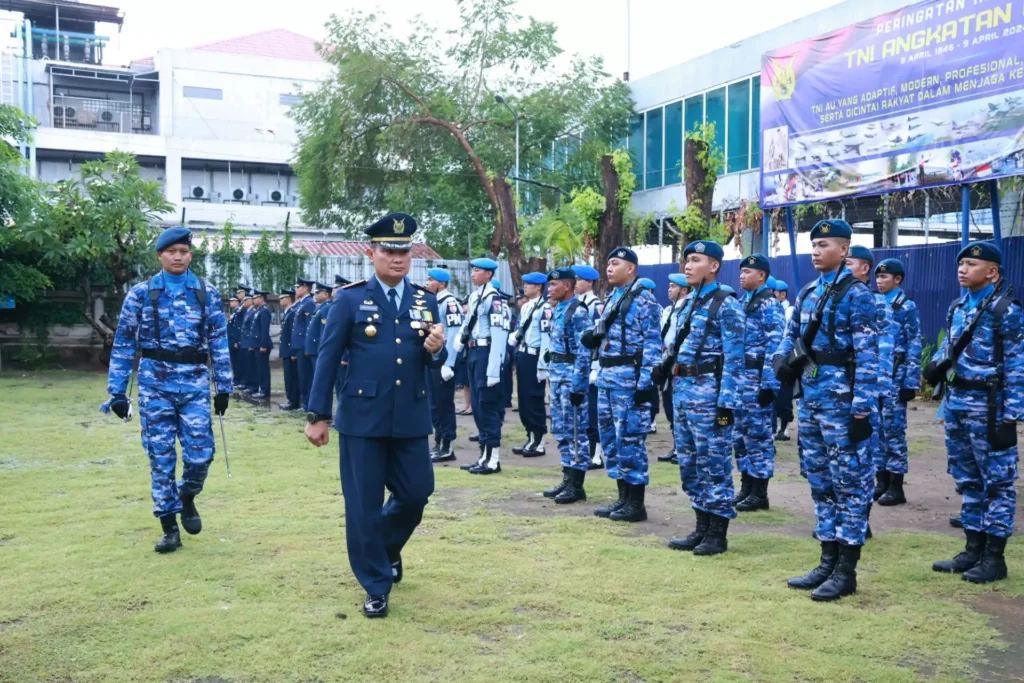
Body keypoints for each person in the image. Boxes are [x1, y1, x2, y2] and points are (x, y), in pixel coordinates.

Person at [304, 212, 447, 619]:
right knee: (363, 504)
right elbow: (328, 359)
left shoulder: (425, 300)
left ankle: (384, 549)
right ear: (372, 253)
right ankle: (376, 583)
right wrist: (318, 414)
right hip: (362, 418)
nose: (398, 258)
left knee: (417, 493)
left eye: (404, 251)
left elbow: (434, 358)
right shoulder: (348, 300)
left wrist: (437, 350)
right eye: (389, 250)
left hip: (410, 417)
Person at [101, 226, 231, 554]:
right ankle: (169, 527)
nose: (178, 256)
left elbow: (218, 340)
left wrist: (224, 386)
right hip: (154, 385)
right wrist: (118, 392)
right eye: (171, 251)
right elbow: (125, 342)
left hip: (194, 383)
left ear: (191, 255)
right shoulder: (141, 294)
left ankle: (187, 496)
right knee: (160, 457)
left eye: (183, 251)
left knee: (201, 455)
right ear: (159, 255)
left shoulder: (206, 292)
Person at [774, 219, 877, 602]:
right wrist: (781, 362)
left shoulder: (858, 295)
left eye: (824, 245)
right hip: (813, 402)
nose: (816, 251)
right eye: (813, 244)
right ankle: (826, 559)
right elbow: (790, 337)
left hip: (845, 406)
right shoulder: (808, 291)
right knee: (820, 483)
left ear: (844, 250)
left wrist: (862, 411)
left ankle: (846, 570)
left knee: (850, 486)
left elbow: (870, 357)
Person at [926, 241, 1022, 584]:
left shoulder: (1006, 311)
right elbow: (947, 352)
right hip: (958, 404)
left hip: (991, 407)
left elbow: (1017, 365)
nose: (962, 269)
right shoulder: (957, 307)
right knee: (968, 480)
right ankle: (972, 548)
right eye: (961, 264)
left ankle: (994, 558)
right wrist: (944, 401)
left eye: (970, 264)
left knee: (997, 483)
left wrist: (1011, 415)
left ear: (992, 272)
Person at [661, 240, 745, 554]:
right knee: (690, 464)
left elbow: (735, 358)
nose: (688, 266)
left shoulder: (726, 303)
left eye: (696, 260)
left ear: (714, 266)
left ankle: (717, 533)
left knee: (714, 465)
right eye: (686, 260)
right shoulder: (689, 302)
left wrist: (727, 404)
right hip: (683, 392)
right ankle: (701, 526)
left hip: (710, 396)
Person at [581, 248, 662, 522]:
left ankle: (636, 504)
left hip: (629, 380)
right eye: (608, 263)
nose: (609, 268)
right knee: (611, 441)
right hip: (607, 378)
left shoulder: (645, 301)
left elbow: (652, 345)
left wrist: (645, 384)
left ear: (631, 269)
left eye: (615, 264)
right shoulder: (613, 297)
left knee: (629, 440)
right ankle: (622, 498)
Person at [847, 245, 895, 531]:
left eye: (849, 262)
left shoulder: (877, 303)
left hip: (867, 392)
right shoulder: (837, 297)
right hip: (837, 392)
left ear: (864, 268)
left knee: (864, 460)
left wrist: (877, 395)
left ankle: (861, 520)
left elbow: (884, 352)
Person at [733, 254, 784, 513]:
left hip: (756, 379)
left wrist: (769, 384)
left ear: (761, 275)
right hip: (740, 380)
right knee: (740, 436)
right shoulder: (743, 302)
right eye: (740, 271)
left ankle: (760, 493)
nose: (741, 276)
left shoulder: (770, 304)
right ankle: (746, 487)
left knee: (759, 436)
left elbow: (775, 347)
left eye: (747, 272)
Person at [541, 267, 593, 503]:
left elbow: (585, 350)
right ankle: (567, 476)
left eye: (554, 285)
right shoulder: (559, 309)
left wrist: (579, 385)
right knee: (561, 429)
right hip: (557, 376)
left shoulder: (578, 312)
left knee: (575, 431)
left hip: (571, 379)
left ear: (567, 286)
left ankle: (577, 484)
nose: (550, 289)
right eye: (549, 285)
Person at [455, 260, 511, 474]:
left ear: (488, 274)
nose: (473, 274)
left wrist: (494, 368)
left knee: (487, 405)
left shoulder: (494, 299)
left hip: (487, 352)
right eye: (473, 270)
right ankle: (484, 455)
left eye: (477, 270)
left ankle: (493, 459)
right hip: (473, 352)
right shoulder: (476, 296)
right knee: (478, 406)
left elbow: (499, 334)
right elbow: (467, 323)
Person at [874, 258, 922, 505]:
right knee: (876, 431)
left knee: (893, 432)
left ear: (898, 279)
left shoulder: (906, 306)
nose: (879, 281)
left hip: (896, 376)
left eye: (884, 277)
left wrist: (910, 382)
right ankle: (880, 482)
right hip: (877, 378)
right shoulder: (874, 303)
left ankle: (896, 487)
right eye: (877, 277)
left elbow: (914, 343)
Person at [511, 272, 552, 457]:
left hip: (536, 357)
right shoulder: (526, 306)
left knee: (534, 398)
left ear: (538, 287)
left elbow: (546, 338)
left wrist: (543, 364)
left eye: (529, 284)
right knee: (523, 399)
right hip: (523, 354)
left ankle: (539, 440)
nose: (525, 286)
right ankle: (530, 436)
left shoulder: (545, 308)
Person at [425, 267, 463, 463]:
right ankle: (439, 441)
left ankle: (447, 445)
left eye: (430, 280)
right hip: (433, 361)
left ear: (441, 283)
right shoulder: (434, 301)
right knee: (434, 405)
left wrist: (449, 363)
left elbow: (455, 334)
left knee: (444, 404)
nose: (427, 283)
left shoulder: (449, 303)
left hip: (444, 362)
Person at [573, 265, 605, 470]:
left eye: (578, 279)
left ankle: (596, 454)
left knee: (593, 412)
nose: (575, 283)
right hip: (580, 365)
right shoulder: (577, 304)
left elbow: (597, 339)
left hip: (592, 367)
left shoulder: (595, 305)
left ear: (589, 282)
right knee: (583, 413)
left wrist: (595, 367)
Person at [657, 274, 689, 464]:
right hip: (667, 365)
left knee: (681, 410)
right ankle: (677, 446)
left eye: (673, 287)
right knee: (669, 409)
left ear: (683, 290)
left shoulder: (688, 309)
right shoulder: (668, 310)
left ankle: (683, 448)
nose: (669, 289)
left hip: (681, 367)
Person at [772, 280, 795, 441]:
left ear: (783, 294)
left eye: (775, 293)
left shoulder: (790, 310)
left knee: (785, 395)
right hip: (775, 356)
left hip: (786, 359)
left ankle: (784, 428)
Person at [291, 277, 316, 411]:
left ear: (306, 288)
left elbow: (308, 328)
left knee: (306, 377)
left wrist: (307, 347)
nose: (296, 289)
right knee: (302, 376)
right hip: (299, 345)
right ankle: (304, 402)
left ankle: (307, 404)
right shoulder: (301, 304)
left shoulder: (309, 304)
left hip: (303, 346)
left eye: (298, 287)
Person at [305, 283, 333, 399]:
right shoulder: (320, 307)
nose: (315, 295)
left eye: (317, 293)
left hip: (318, 350)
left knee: (321, 380)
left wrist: (321, 350)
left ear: (326, 294)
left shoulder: (326, 308)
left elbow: (323, 332)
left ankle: (320, 407)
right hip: (313, 350)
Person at [278, 289, 300, 411]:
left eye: (282, 298)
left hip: (290, 350)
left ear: (289, 299)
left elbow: (293, 334)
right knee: (288, 376)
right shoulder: (288, 312)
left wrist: (293, 351)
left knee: (292, 377)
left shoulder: (292, 312)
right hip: (286, 349)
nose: (280, 300)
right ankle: (291, 399)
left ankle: (293, 400)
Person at [249, 290, 273, 399]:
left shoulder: (264, 311)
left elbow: (264, 330)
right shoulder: (258, 311)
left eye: (255, 298)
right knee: (259, 368)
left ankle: (264, 390)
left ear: (261, 298)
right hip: (257, 344)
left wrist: (263, 345)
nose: (253, 300)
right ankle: (262, 388)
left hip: (262, 345)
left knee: (263, 369)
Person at [240, 294, 258, 394]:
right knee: (247, 365)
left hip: (249, 343)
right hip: (245, 342)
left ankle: (253, 386)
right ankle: (249, 384)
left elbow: (252, 330)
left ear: (251, 300)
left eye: (246, 300)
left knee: (251, 366)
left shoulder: (252, 312)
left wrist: (251, 343)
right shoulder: (248, 312)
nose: (243, 302)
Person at [227, 296, 241, 381]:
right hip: (231, 340)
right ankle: (236, 378)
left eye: (232, 301)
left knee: (237, 362)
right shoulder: (234, 312)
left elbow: (237, 328)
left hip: (234, 340)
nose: (230, 303)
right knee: (234, 362)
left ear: (237, 302)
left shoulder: (238, 312)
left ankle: (238, 379)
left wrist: (236, 341)